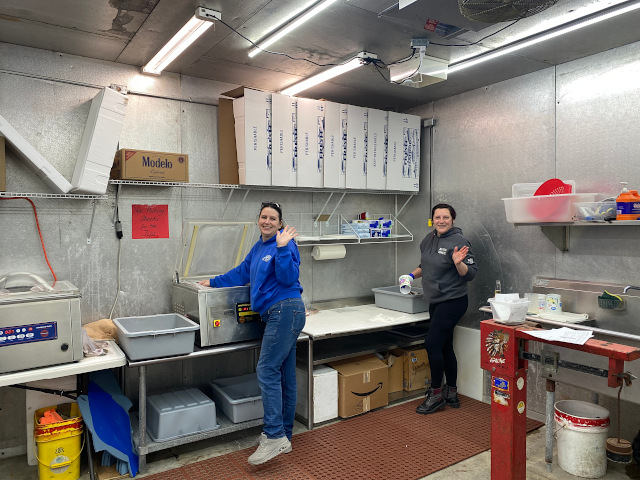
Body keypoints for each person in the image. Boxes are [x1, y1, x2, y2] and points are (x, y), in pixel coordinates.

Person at [199, 202, 305, 464]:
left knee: (267, 370)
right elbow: (241, 273)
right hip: (277, 314)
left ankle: (274, 436)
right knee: (283, 375)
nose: (267, 221)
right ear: (258, 220)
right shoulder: (258, 247)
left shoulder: (285, 243)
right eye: (263, 217)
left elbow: (289, 278)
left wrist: (281, 248)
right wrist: (213, 282)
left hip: (285, 310)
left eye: (273, 218)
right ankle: (285, 438)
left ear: (281, 223)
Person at [399, 203, 477, 415]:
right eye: (437, 217)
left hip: (453, 300)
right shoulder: (429, 239)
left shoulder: (459, 241)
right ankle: (451, 391)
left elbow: (469, 274)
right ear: (432, 219)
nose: (441, 221)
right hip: (436, 301)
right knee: (444, 346)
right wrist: (410, 275)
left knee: (431, 343)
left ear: (453, 219)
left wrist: (458, 263)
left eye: (446, 217)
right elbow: (426, 265)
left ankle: (435, 395)